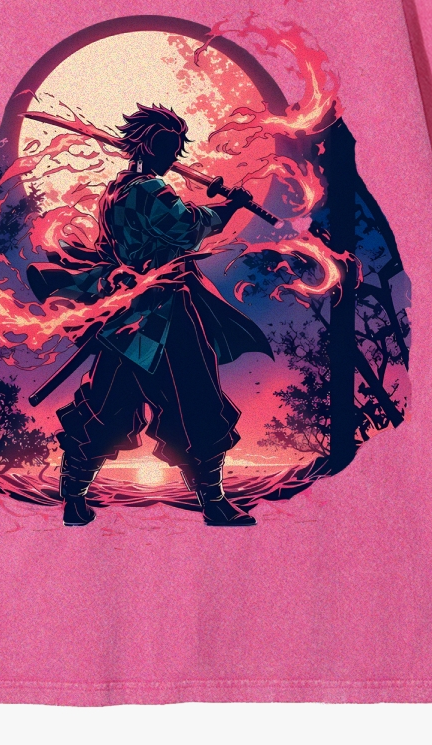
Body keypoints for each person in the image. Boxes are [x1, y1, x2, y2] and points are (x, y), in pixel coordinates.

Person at [26, 104, 273, 527]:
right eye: (165, 146)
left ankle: (75, 500)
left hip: (129, 318)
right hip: (164, 314)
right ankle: (212, 503)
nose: (172, 155)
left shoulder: (116, 190)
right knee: (192, 399)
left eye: (175, 147)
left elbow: (171, 223)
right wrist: (229, 208)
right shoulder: (148, 189)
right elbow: (185, 226)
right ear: (146, 146)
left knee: (108, 403)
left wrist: (219, 206)